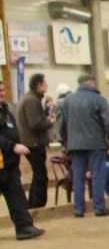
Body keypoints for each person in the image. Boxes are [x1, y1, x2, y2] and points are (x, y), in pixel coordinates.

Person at [61, 73, 109, 217]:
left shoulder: (68, 100)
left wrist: (64, 142)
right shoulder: (98, 99)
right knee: (98, 174)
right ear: (91, 82)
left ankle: (78, 209)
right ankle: (99, 207)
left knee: (78, 176)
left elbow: (61, 125)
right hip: (95, 143)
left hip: (75, 145)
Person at [1, 78, 44, 240]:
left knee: (17, 196)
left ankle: (25, 227)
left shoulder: (6, 110)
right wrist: (13, 146)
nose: (2, 94)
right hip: (1, 162)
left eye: (3, 90)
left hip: (10, 164)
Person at [17, 73, 53, 209]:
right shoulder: (32, 100)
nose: (47, 85)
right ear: (39, 85)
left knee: (38, 175)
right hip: (34, 144)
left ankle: (32, 205)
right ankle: (37, 205)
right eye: (45, 83)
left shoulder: (30, 98)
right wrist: (49, 122)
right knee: (40, 176)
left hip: (32, 143)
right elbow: (35, 124)